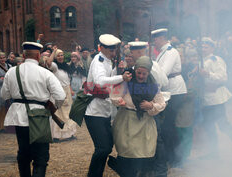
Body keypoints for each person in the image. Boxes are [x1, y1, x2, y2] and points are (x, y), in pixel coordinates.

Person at [0, 42, 66, 177]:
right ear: (38, 56)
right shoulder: (45, 73)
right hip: (40, 116)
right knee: (41, 156)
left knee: (23, 153)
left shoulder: (12, 71)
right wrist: (53, 108)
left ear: (24, 55)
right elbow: (60, 96)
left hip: (19, 117)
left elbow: (4, 95)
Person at [109, 56, 166, 177]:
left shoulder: (152, 85)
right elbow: (114, 94)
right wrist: (120, 101)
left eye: (144, 74)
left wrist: (151, 105)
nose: (140, 76)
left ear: (148, 73)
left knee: (144, 153)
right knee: (127, 152)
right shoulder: (128, 81)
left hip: (145, 123)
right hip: (127, 121)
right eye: (138, 72)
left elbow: (161, 103)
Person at [84, 34, 132, 177]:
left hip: (104, 110)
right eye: (111, 50)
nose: (114, 53)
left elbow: (110, 85)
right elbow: (100, 81)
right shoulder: (98, 62)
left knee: (107, 145)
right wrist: (121, 77)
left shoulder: (108, 61)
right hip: (94, 111)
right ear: (102, 48)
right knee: (103, 147)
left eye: (115, 50)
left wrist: (119, 74)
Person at [199, 37, 232, 158]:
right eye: (202, 47)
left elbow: (223, 77)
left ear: (212, 48)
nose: (203, 49)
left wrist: (208, 74)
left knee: (224, 125)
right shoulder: (201, 60)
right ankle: (214, 153)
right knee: (208, 126)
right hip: (206, 98)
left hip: (216, 99)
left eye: (206, 47)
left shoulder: (216, 60)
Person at [152, 28, 187, 174]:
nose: (154, 42)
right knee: (167, 127)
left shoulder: (171, 51)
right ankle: (170, 157)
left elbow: (163, 73)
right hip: (168, 91)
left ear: (161, 38)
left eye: (155, 39)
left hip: (175, 90)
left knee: (169, 126)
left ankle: (177, 160)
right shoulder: (162, 52)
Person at [46, 47, 77, 142]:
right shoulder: (55, 67)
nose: (60, 57)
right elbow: (49, 63)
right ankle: (56, 135)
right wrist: (54, 51)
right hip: (58, 92)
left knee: (68, 113)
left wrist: (70, 90)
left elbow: (67, 81)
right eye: (58, 56)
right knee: (58, 113)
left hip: (67, 91)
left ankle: (69, 134)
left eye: (62, 55)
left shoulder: (65, 66)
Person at [0, 52, 12, 132]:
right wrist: (3, 79)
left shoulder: (9, 66)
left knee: (4, 108)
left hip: (6, 89)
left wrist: (4, 79)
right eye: (1, 58)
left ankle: (3, 126)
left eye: (4, 58)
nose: (2, 59)